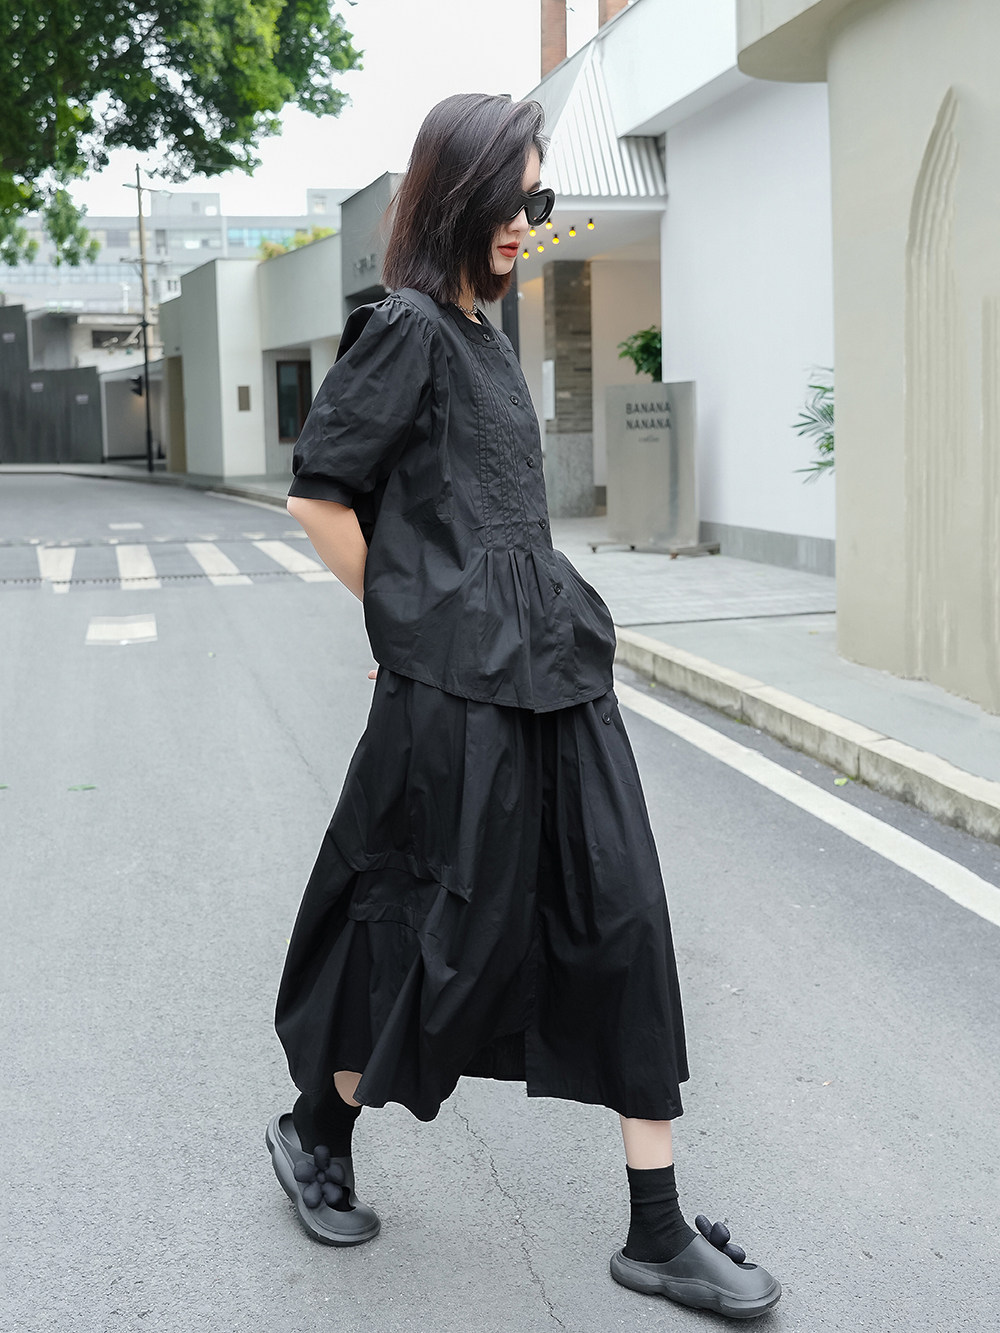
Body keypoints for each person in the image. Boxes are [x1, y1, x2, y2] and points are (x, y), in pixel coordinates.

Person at [267, 92, 781, 1321]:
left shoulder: (486, 337)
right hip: (454, 696)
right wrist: (412, 632)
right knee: (429, 938)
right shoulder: (403, 328)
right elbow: (320, 497)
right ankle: (314, 1127)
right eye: (512, 199)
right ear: (456, 192)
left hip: (554, 675)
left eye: (538, 201)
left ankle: (657, 1227)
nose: (526, 222)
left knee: (622, 918)